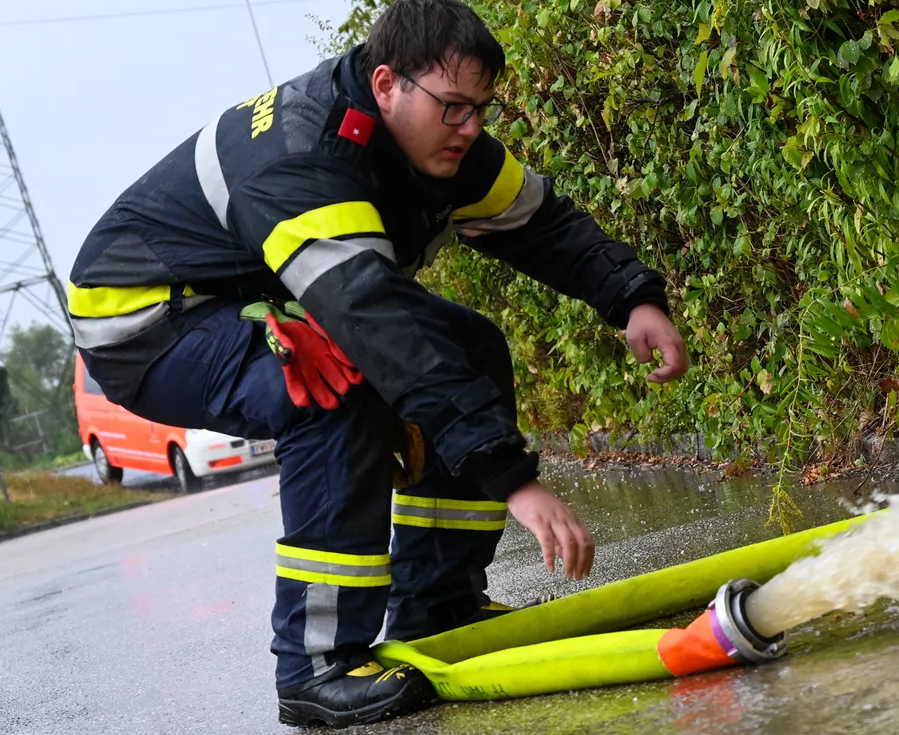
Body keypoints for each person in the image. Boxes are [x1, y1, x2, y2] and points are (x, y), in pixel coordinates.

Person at [66, 0, 689, 726]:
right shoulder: (303, 155)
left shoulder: (442, 144)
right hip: (146, 320)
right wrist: (512, 478)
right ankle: (316, 665)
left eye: (482, 109)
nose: (471, 129)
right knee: (331, 389)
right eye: (454, 107)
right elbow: (371, 316)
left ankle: (439, 607)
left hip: (255, 294)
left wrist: (632, 298)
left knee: (474, 349)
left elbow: (543, 224)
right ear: (387, 82)